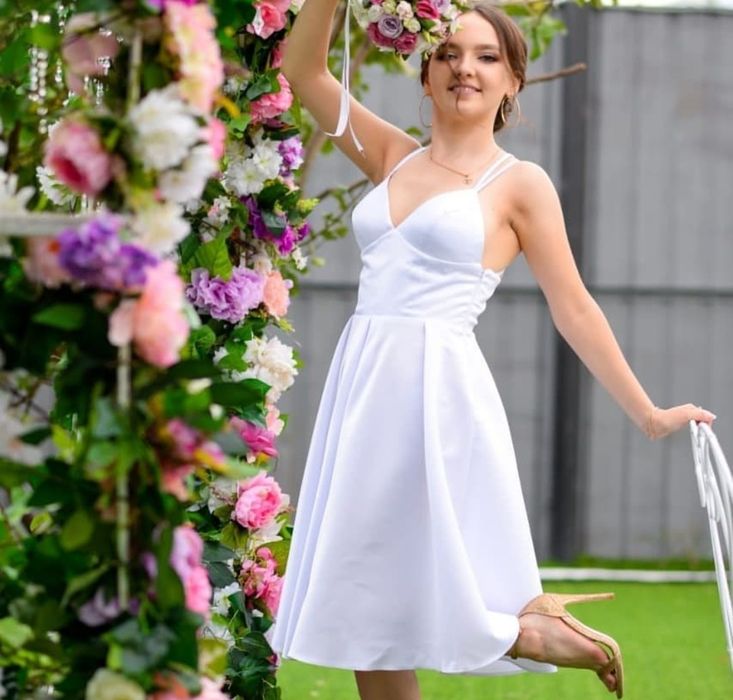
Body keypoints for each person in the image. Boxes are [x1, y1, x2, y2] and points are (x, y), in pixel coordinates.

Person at [269, 2, 717, 699]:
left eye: (485, 57)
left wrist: (649, 414)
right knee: (367, 599)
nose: (464, 69)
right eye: (448, 54)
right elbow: (303, 72)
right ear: (425, 74)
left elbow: (574, 306)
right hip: (363, 385)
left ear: (512, 81)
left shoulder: (519, 183)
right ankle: (528, 631)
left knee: (399, 576)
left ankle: (523, 633)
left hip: (436, 392)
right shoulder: (390, 154)